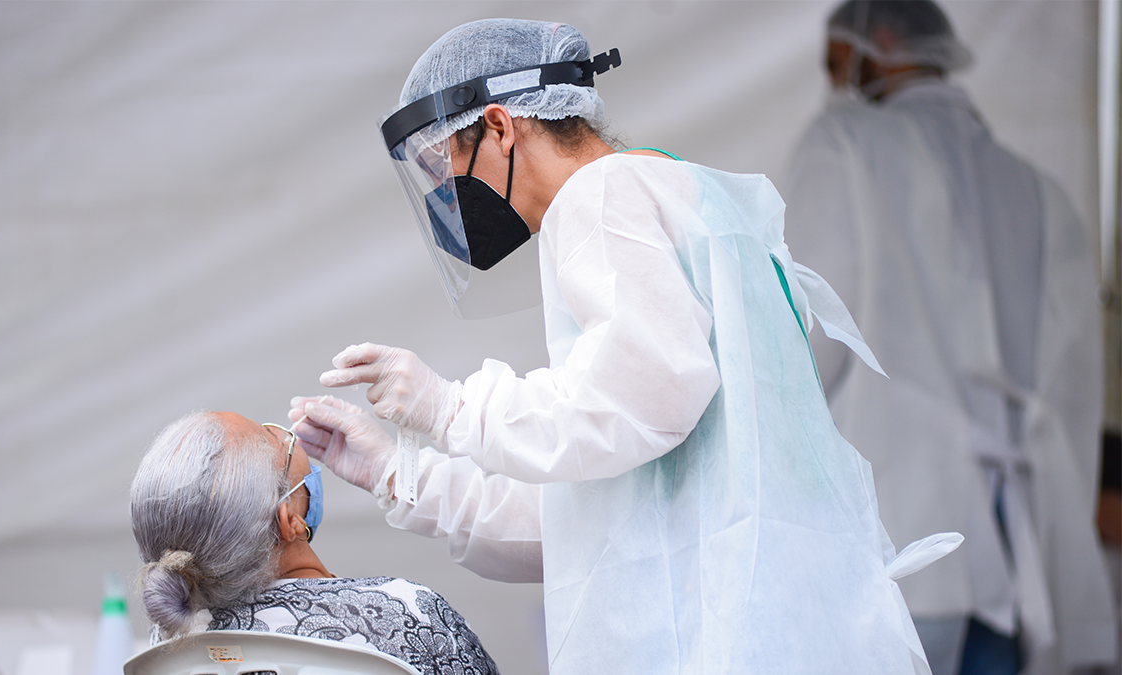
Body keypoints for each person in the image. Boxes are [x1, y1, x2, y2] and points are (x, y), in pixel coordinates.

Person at [291, 18, 961, 675]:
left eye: (444, 162)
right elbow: (593, 524)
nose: (445, 193)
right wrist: (395, 472)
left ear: (499, 125)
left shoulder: (600, 196)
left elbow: (644, 399)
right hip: (788, 618)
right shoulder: (691, 198)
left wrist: (450, 409)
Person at [780, 2, 1117, 675]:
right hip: (1014, 546)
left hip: (894, 535)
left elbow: (808, 341)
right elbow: (1076, 385)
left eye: (836, 60)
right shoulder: (1039, 191)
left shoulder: (844, 142)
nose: (835, 79)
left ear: (878, 42)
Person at [129, 410, 500, 675]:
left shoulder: (171, 643)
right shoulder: (404, 615)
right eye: (270, 436)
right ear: (289, 519)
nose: (285, 434)